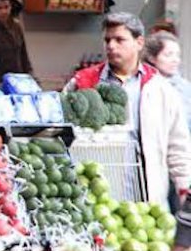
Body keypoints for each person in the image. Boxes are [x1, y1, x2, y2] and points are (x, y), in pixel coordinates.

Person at [64, 12, 191, 208]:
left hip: (148, 201)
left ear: (139, 43)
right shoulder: (82, 82)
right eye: (107, 40)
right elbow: (61, 135)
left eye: (119, 40)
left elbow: (178, 146)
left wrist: (184, 188)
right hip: (95, 199)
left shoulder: (160, 89)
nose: (111, 46)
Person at [144, 31, 191, 132]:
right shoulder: (143, 85)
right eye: (168, 55)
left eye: (177, 55)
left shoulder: (185, 87)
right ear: (152, 58)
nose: (175, 60)